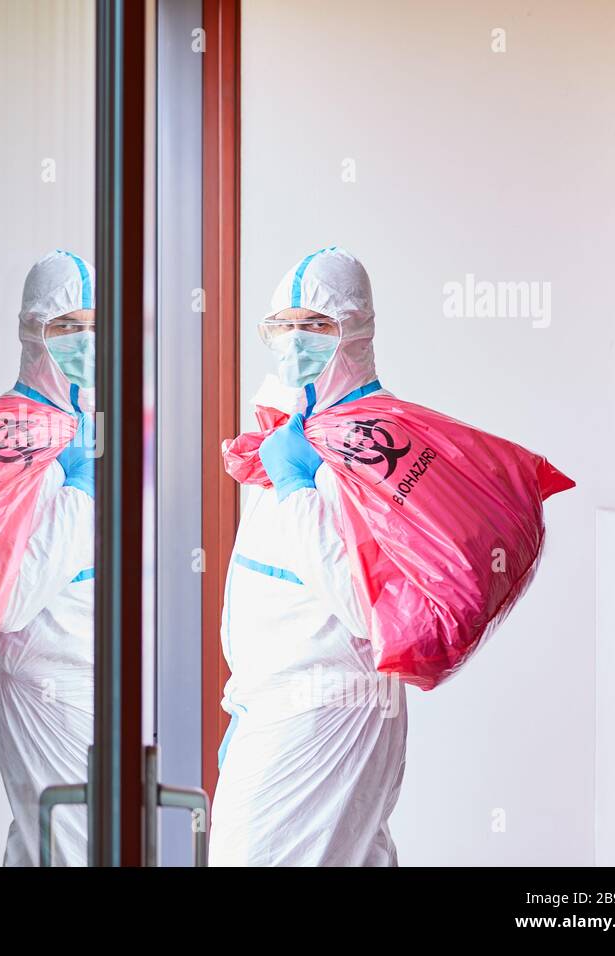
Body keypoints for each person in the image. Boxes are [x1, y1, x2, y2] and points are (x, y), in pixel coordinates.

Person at [208, 246, 408, 867]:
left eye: (316, 325)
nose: (295, 340)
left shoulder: (376, 443)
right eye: (282, 324)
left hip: (325, 704)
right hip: (290, 698)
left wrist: (298, 489)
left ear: (357, 330)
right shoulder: (298, 429)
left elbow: (366, 605)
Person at [0, 250, 96, 867]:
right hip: (45, 687)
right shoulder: (6, 437)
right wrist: (78, 490)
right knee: (61, 848)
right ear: (33, 331)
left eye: (94, 325)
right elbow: (14, 595)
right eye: (66, 327)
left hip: (100, 687)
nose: (84, 340)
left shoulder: (95, 423)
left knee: (49, 848)